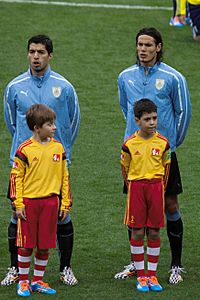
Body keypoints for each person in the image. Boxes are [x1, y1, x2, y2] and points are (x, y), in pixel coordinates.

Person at [2, 34, 80, 287]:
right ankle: (15, 269)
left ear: (50, 55)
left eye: (41, 52)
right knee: (17, 214)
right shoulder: (15, 87)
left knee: (62, 215)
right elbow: (12, 124)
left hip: (55, 165)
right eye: (32, 51)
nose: (36, 56)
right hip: (25, 165)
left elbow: (72, 123)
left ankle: (65, 268)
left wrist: (60, 153)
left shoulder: (64, 87)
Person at [115, 27, 191, 284]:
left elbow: (183, 112)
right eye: (140, 44)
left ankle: (176, 265)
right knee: (134, 210)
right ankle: (138, 265)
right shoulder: (125, 77)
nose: (143, 49)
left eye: (148, 45)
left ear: (158, 47)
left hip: (163, 155)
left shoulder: (174, 77)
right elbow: (126, 109)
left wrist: (171, 144)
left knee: (170, 205)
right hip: (135, 156)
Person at [10, 104, 72, 296]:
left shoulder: (58, 148)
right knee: (27, 245)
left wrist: (65, 203)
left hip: (51, 203)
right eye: (49, 124)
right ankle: (23, 282)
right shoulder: (25, 149)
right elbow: (16, 178)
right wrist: (18, 204)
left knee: (44, 245)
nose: (54, 127)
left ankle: (37, 281)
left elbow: (64, 177)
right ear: (37, 127)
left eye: (53, 123)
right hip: (29, 204)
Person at [121, 99, 171, 292]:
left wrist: (160, 189)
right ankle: (141, 276)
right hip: (136, 187)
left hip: (156, 188)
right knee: (138, 231)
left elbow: (166, 169)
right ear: (137, 120)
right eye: (147, 119)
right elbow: (124, 169)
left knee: (154, 231)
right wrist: (134, 185)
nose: (152, 123)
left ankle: (152, 275)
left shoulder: (163, 143)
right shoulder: (129, 144)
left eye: (154, 118)